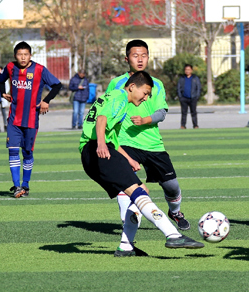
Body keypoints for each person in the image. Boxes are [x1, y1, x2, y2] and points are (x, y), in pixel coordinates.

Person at [80, 71, 204, 257]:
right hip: (96, 150)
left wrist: (128, 159)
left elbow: (111, 137)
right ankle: (173, 234)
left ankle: (126, 246)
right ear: (132, 87)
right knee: (137, 192)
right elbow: (101, 119)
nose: (146, 98)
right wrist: (100, 143)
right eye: (145, 93)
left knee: (140, 191)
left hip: (97, 151)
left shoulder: (116, 99)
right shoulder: (120, 96)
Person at [106, 40, 191, 242]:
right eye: (135, 55)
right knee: (125, 185)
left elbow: (161, 113)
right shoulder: (116, 83)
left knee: (171, 186)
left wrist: (146, 120)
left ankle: (175, 212)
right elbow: (107, 110)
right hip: (125, 143)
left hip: (153, 144)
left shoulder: (157, 84)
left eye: (143, 55)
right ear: (127, 59)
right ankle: (126, 227)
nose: (140, 59)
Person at [0, 41, 62, 198]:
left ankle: (25, 185)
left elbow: (57, 85)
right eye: (20, 54)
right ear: (15, 56)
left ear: (30, 55)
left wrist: (46, 100)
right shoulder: (10, 67)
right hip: (13, 119)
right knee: (13, 151)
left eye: (25, 54)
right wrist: (3, 92)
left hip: (31, 119)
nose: (23, 57)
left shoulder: (39, 69)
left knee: (27, 152)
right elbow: (0, 79)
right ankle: (17, 185)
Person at [177, 64, 201, 129]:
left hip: (193, 98)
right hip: (184, 98)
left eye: (189, 69)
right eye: (186, 70)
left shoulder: (195, 78)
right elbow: (178, 88)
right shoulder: (182, 78)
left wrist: (196, 96)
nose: (187, 71)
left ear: (191, 70)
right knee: (184, 113)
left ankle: (195, 125)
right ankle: (183, 125)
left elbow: (198, 87)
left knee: (194, 112)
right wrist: (180, 97)